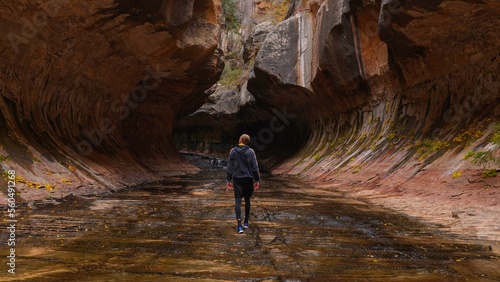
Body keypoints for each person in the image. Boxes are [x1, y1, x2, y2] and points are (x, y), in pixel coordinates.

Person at [226, 134, 260, 234]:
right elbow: (255, 167)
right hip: (248, 178)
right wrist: (257, 180)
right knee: (247, 199)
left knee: (237, 200)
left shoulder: (233, 151)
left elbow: (229, 167)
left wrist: (228, 180)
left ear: (240, 140)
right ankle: (246, 222)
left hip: (237, 179)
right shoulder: (251, 152)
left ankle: (239, 226)